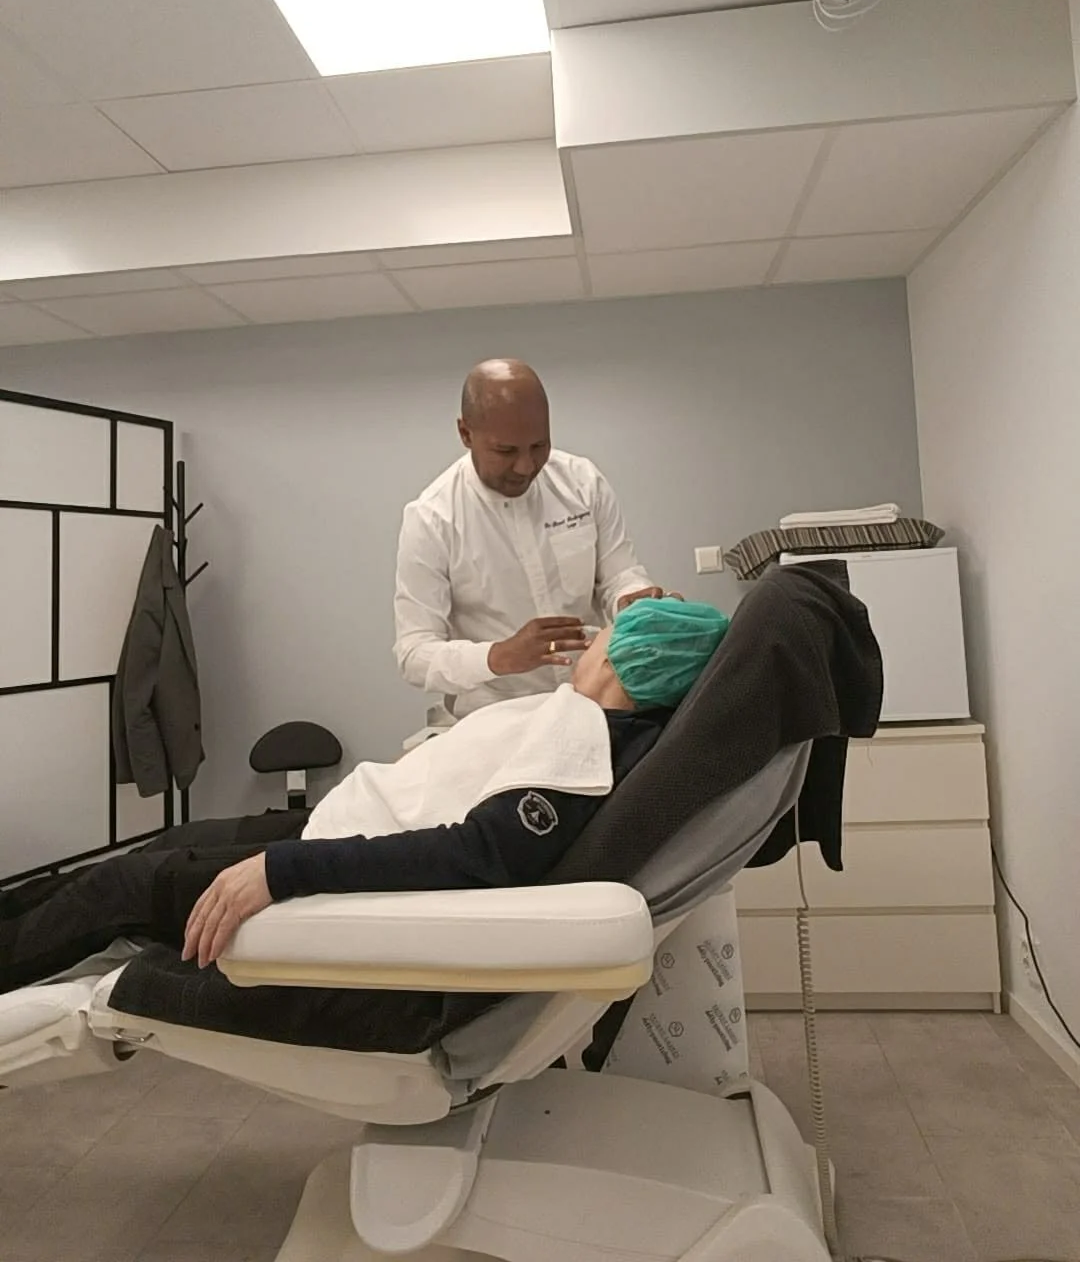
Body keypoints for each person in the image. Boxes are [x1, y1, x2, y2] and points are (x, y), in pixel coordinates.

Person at [1, 599, 727, 993]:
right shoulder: (585, 722)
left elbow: (480, 851)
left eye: (610, 635)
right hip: (341, 819)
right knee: (159, 846)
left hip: (331, 856)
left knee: (127, 884)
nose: (594, 638)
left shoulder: (586, 743)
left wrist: (280, 871)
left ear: (637, 657)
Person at [394, 359, 679, 718]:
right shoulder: (432, 519)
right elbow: (414, 653)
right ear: (466, 434)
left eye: (539, 446)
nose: (526, 467)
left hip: (595, 706)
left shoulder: (582, 482)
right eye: (506, 451)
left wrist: (632, 599)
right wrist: (498, 656)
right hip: (500, 716)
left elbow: (620, 575)